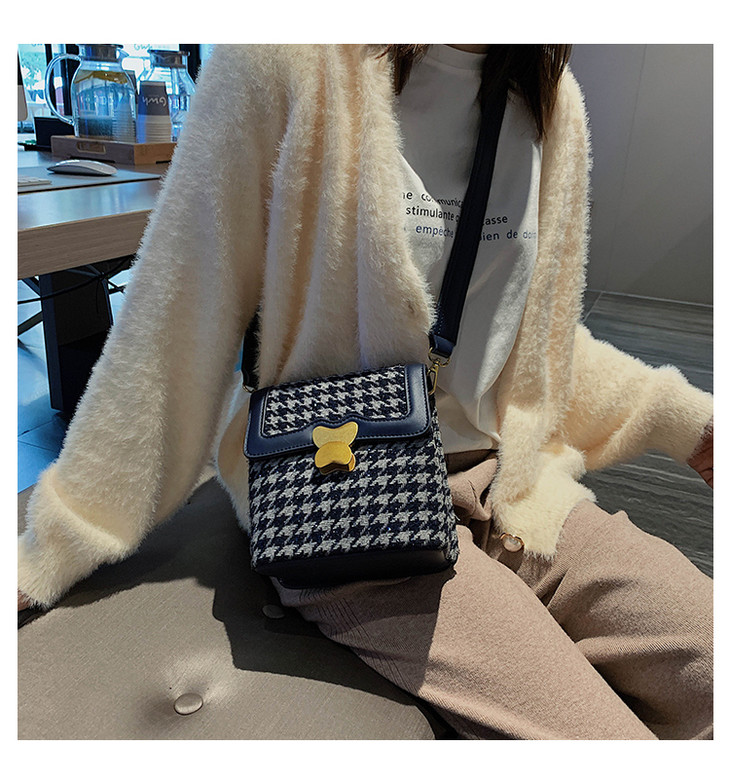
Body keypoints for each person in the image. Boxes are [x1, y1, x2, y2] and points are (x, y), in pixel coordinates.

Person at [18, 44, 713, 740]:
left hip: (511, 486)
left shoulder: (553, 102)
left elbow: (531, 343)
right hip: (343, 500)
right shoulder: (284, 59)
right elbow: (175, 315)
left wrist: (682, 419)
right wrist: (61, 536)